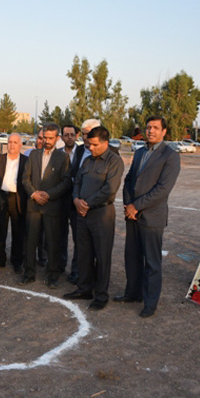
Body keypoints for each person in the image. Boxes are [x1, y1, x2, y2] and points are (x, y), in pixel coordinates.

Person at [117, 115, 180, 318]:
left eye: (155, 127)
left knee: (152, 263)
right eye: (148, 127)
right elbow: (128, 181)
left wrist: (137, 206)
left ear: (164, 132)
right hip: (132, 216)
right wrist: (128, 204)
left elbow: (162, 189)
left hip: (152, 217)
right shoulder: (140, 152)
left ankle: (150, 303)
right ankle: (132, 293)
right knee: (132, 258)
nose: (150, 130)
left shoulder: (170, 156)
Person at [63, 127, 124, 310]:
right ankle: (84, 288)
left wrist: (86, 204)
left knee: (102, 255)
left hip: (101, 215)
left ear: (105, 142)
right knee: (83, 253)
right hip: (82, 214)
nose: (91, 148)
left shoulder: (114, 161)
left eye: (95, 145)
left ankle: (101, 294)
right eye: (89, 144)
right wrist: (75, 200)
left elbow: (109, 190)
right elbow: (77, 182)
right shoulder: (88, 161)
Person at [20, 123, 71, 288]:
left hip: (52, 206)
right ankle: (29, 273)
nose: (47, 141)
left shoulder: (63, 158)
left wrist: (49, 195)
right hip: (33, 205)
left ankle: (52, 275)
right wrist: (34, 194)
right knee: (30, 241)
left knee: (52, 242)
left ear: (57, 138)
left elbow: (66, 181)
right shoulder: (33, 155)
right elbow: (25, 178)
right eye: (44, 137)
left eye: (50, 138)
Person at [0, 133, 28, 273]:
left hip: (17, 199)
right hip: (0, 198)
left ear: (20, 145)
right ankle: (0, 259)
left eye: (15, 142)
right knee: (0, 230)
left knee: (18, 232)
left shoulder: (26, 161)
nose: (11, 145)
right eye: (9, 142)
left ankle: (17, 261)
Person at [59, 124, 85, 284]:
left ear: (77, 136)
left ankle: (76, 271)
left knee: (78, 238)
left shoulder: (83, 152)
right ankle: (60, 266)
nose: (69, 137)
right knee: (60, 236)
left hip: (77, 200)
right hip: (60, 200)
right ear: (61, 137)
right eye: (66, 134)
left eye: (72, 134)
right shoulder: (57, 154)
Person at [23, 129, 47, 266]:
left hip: (47, 200)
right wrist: (33, 194)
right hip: (31, 199)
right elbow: (25, 177)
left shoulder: (56, 157)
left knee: (44, 233)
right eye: (39, 137)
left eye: (45, 138)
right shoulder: (29, 154)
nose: (42, 141)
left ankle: (43, 257)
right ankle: (28, 260)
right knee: (30, 233)